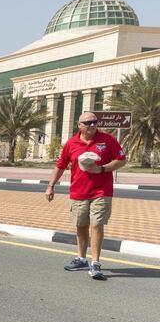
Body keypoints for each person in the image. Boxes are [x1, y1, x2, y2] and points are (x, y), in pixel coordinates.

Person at [45, 111, 127, 280]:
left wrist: (102, 168)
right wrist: (51, 186)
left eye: (95, 122)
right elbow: (60, 166)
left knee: (97, 224)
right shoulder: (71, 143)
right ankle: (81, 258)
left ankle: (95, 263)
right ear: (79, 125)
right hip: (78, 192)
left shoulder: (107, 140)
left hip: (101, 191)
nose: (92, 125)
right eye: (88, 122)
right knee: (81, 225)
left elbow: (121, 159)